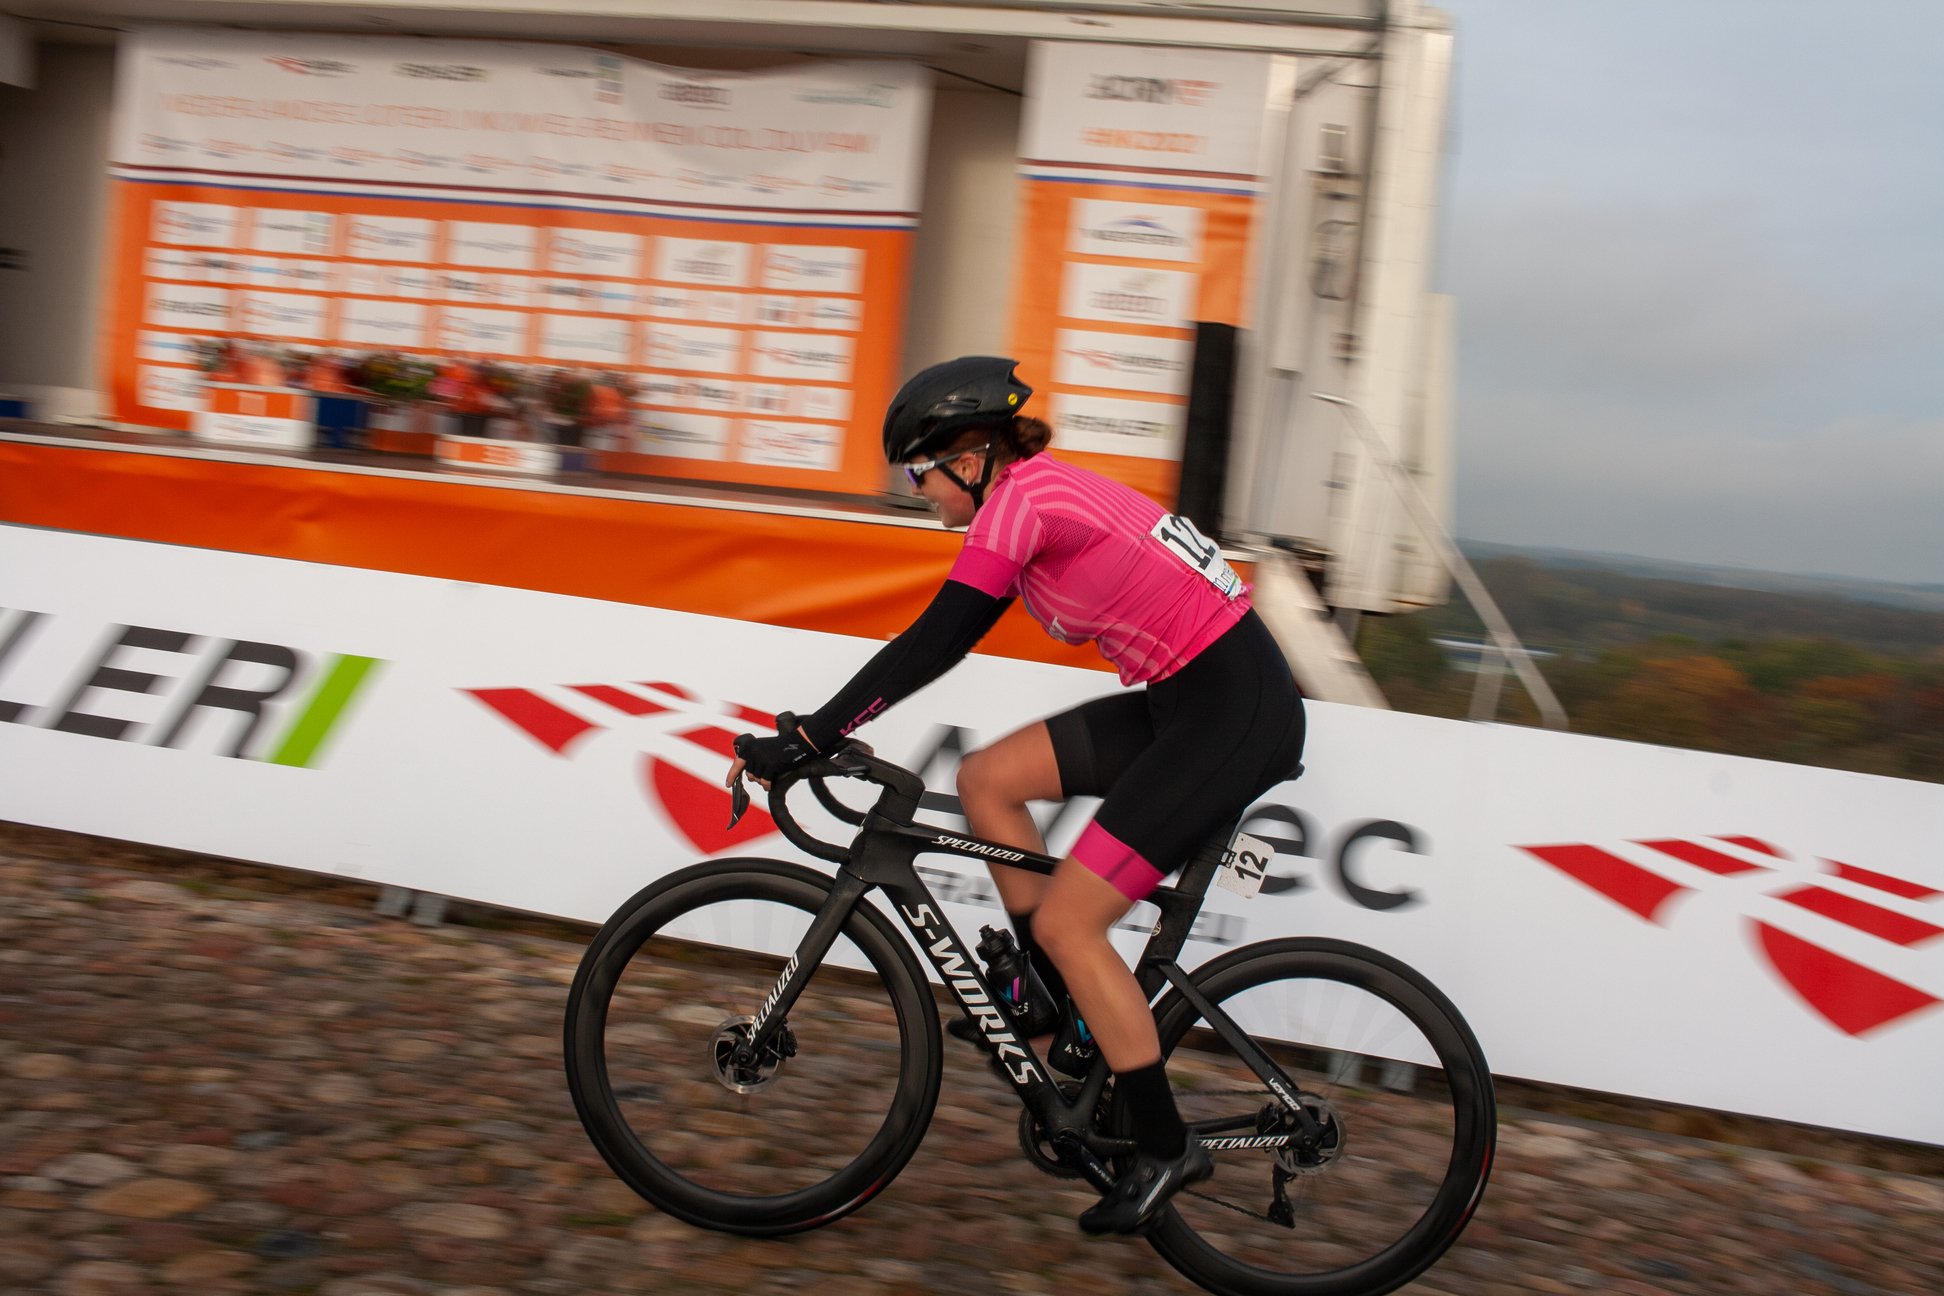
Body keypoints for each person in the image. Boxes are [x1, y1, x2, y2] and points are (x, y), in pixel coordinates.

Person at [727, 356, 1305, 1236]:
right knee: (987, 780)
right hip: (1187, 696)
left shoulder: (1022, 507)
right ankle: (1044, 1007)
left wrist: (811, 736)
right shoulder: (1033, 497)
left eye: (921, 471)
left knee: (1076, 922)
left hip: (1233, 709)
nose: (918, 490)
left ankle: (1162, 1143)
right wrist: (823, 729)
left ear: (972, 456)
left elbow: (935, 642)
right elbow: (946, 639)